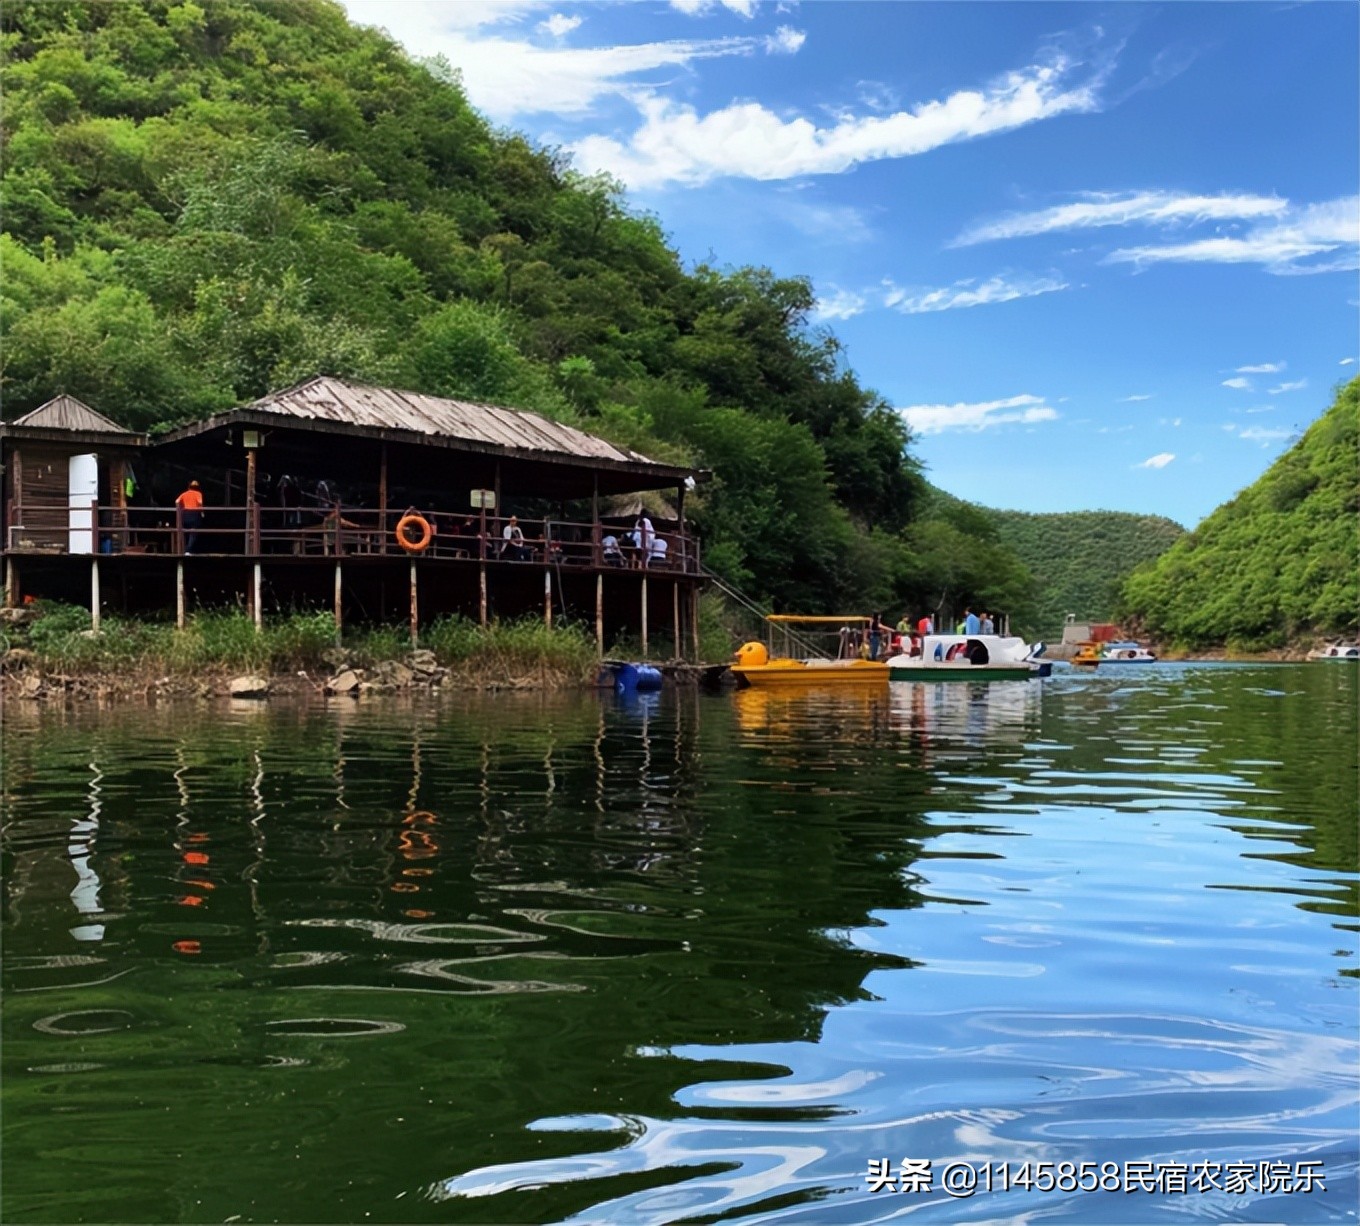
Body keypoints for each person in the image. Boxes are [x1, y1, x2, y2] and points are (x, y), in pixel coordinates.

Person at [176, 480, 204, 554]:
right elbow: (200, 503)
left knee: (185, 532)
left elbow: (177, 501)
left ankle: (186, 550)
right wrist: (202, 512)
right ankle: (188, 550)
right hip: (194, 514)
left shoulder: (184, 494)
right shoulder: (198, 493)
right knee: (193, 532)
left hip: (185, 514)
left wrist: (181, 508)